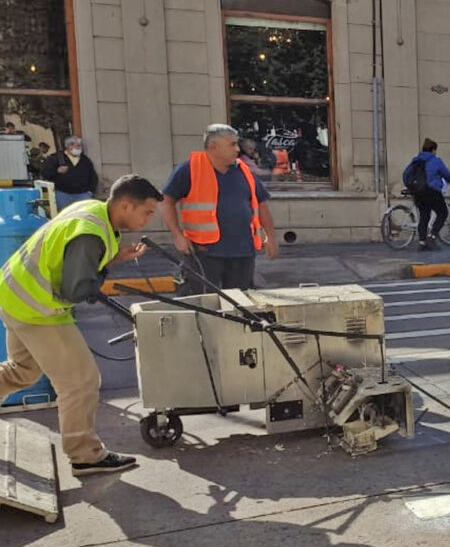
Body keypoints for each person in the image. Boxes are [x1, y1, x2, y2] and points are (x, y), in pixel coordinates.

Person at [0, 175, 162, 476]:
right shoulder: (90, 234)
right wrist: (99, 277)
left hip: (13, 294)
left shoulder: (93, 211)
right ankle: (85, 455)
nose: (149, 218)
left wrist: (113, 260)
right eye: (147, 212)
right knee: (81, 381)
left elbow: (79, 261)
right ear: (126, 205)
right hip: (38, 308)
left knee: (23, 371)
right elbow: (78, 289)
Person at [160, 124, 279, 294]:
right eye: (232, 144)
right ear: (213, 147)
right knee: (203, 305)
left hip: (242, 253)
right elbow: (166, 201)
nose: (238, 149)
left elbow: (262, 204)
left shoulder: (244, 171)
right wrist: (177, 236)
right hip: (204, 254)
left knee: (241, 306)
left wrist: (270, 237)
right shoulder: (189, 170)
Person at [402, 138, 450, 251]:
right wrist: (449, 180)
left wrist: (412, 186)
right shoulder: (436, 161)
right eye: (435, 150)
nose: (436, 152)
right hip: (431, 191)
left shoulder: (416, 160)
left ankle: (422, 243)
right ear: (433, 150)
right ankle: (432, 236)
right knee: (443, 212)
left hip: (418, 192)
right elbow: (447, 175)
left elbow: (405, 174)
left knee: (424, 216)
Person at [40, 136, 99, 212]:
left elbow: (93, 176)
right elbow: (45, 173)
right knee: (65, 216)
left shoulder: (85, 160)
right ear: (68, 146)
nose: (79, 148)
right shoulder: (56, 158)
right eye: (76, 145)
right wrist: (57, 171)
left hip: (83, 194)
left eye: (80, 145)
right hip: (63, 194)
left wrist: (90, 191)